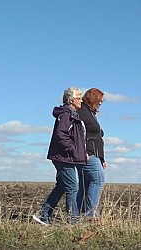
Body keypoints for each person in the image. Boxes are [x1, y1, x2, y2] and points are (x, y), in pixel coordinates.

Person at [33, 87, 88, 225]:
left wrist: (81, 152)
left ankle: (43, 215)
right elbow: (61, 135)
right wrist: (74, 151)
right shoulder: (66, 115)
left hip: (66, 156)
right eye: (78, 98)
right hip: (63, 157)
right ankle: (73, 222)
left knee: (63, 186)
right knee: (73, 187)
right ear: (71, 100)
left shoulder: (72, 114)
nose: (81, 100)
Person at [77, 88, 107, 220]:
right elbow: (79, 133)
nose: (100, 104)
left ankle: (77, 215)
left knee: (86, 184)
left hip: (94, 154)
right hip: (88, 154)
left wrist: (102, 158)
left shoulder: (89, 112)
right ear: (93, 99)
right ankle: (91, 215)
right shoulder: (83, 111)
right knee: (98, 179)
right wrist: (84, 151)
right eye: (99, 101)